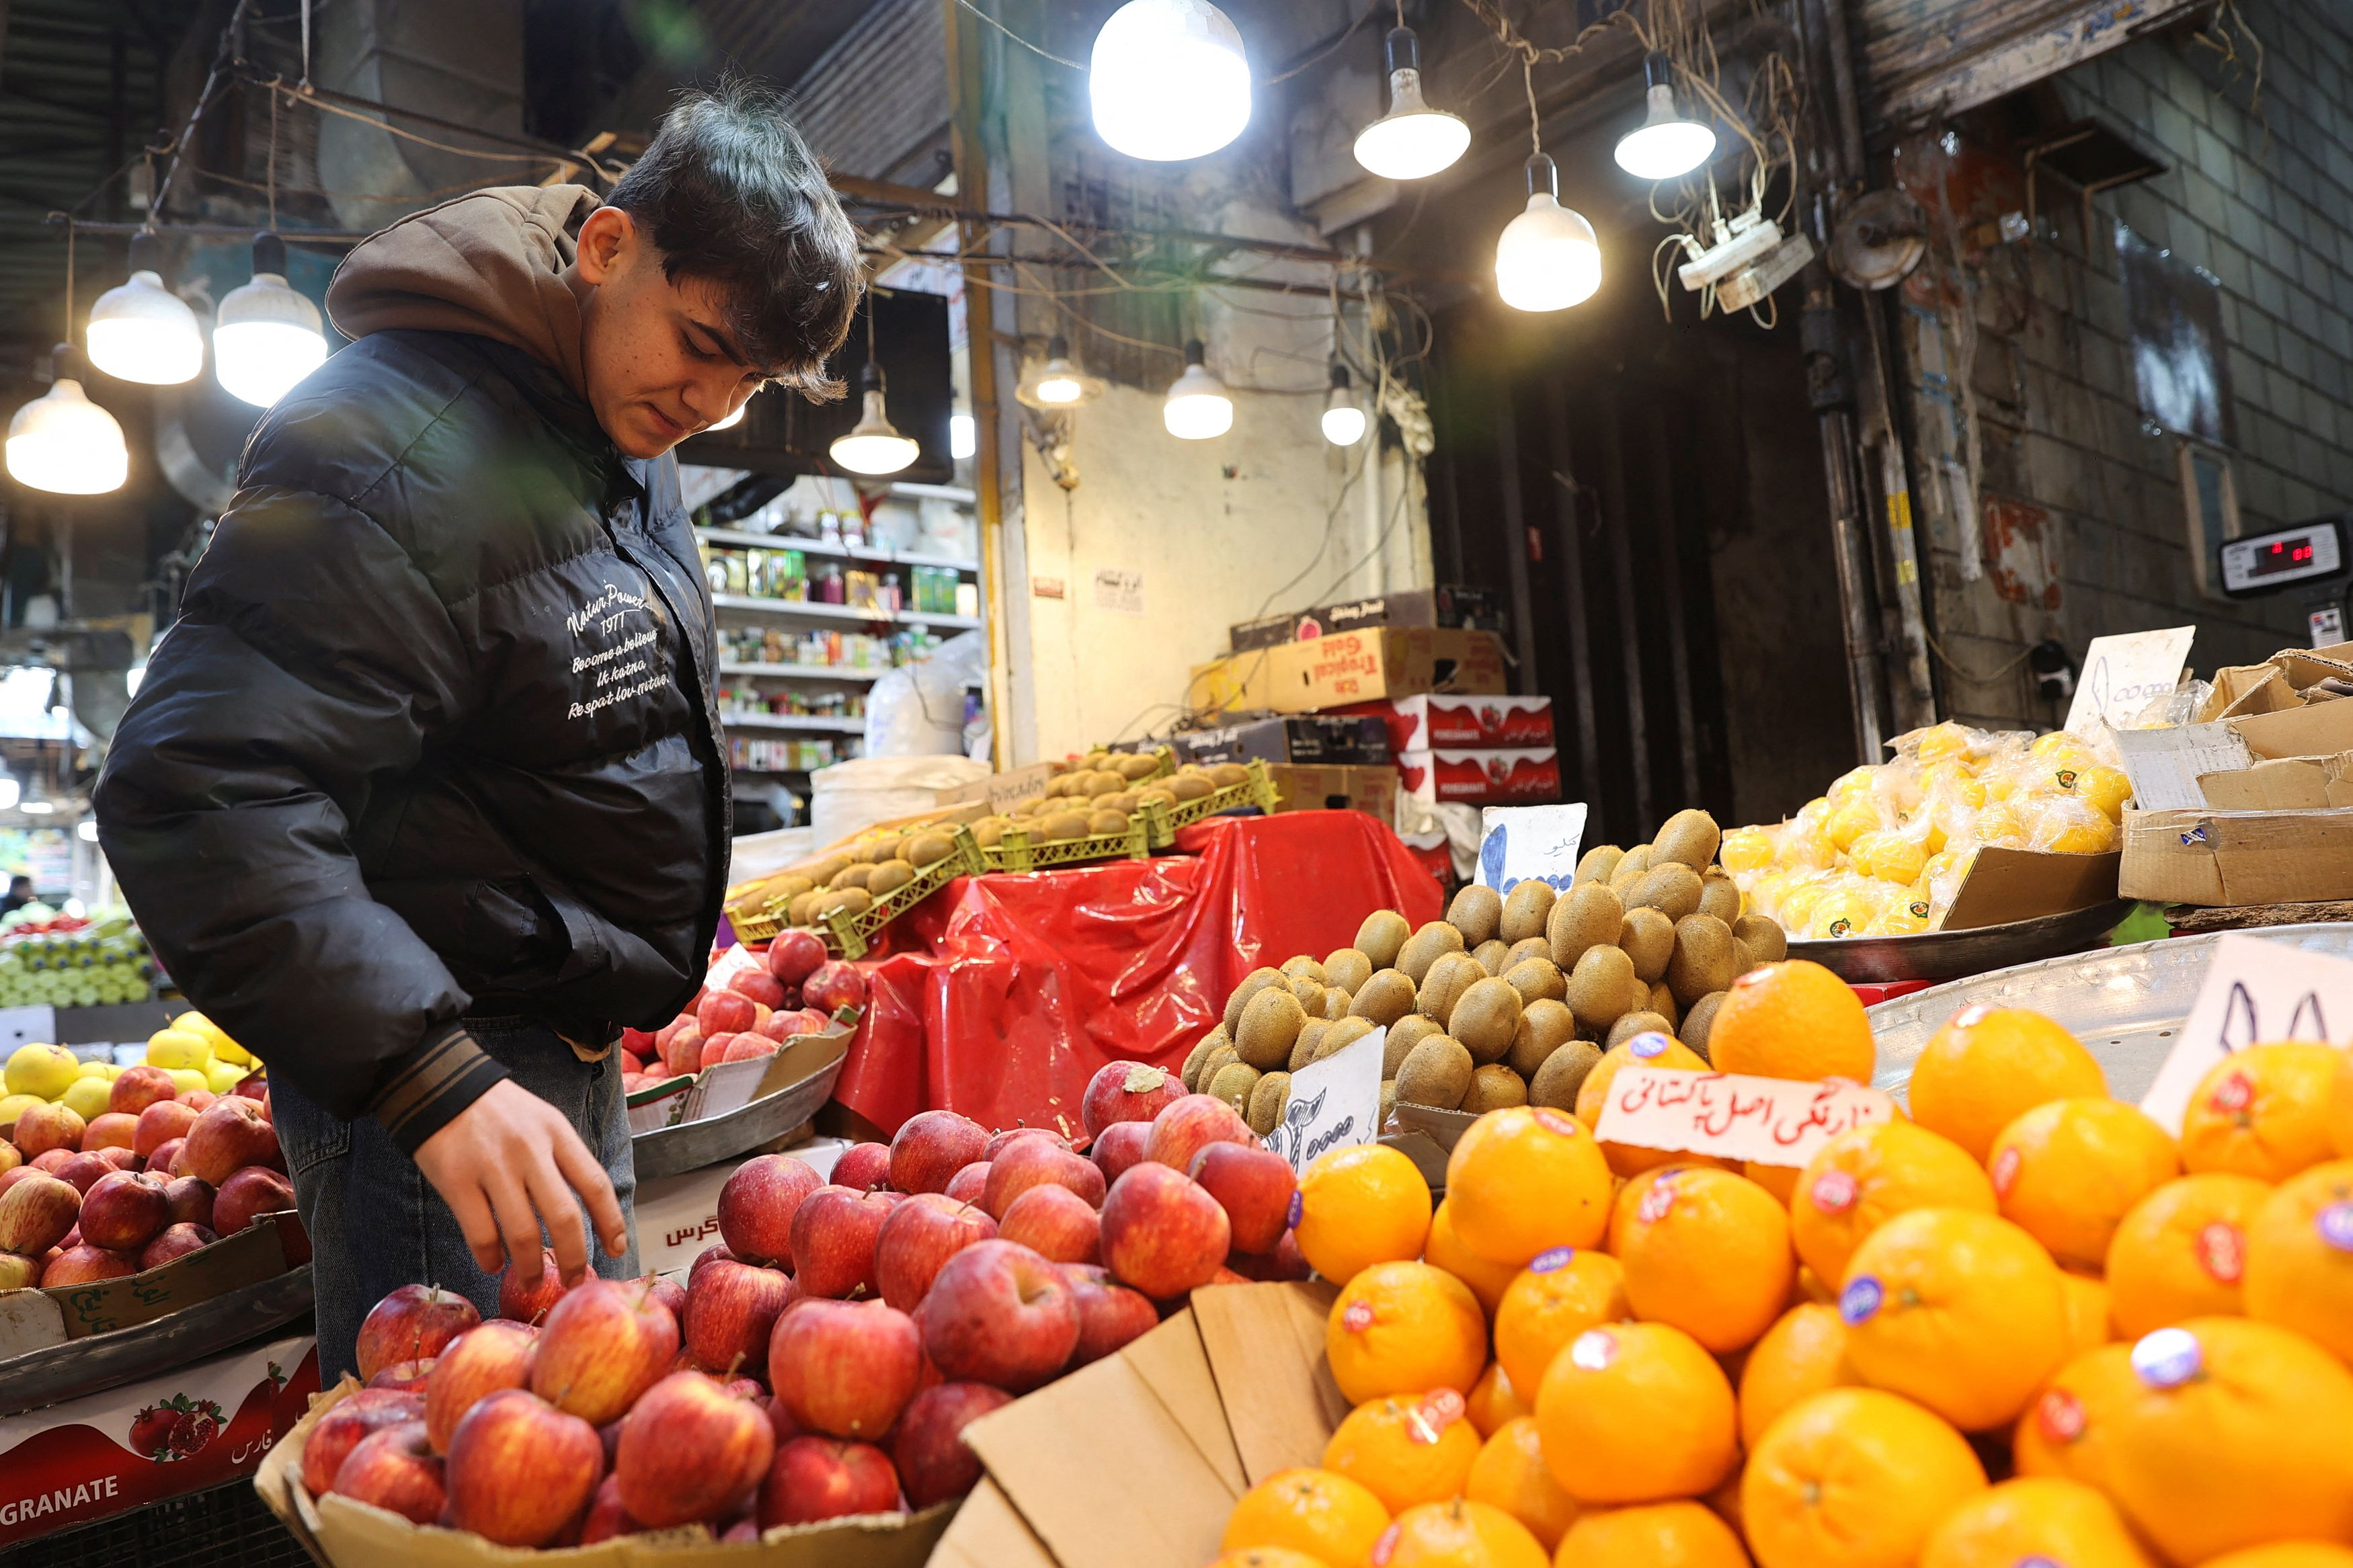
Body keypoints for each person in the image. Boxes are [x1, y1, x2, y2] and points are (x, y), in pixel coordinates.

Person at [94, 81, 862, 1378]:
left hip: (555, 1061)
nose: (710, 400)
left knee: (579, 1447)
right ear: (606, 246)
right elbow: (199, 784)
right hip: (440, 1094)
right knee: (452, 1463)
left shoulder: (620, 418)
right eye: (700, 343)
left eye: (747, 380)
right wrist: (428, 1076)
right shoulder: (391, 445)